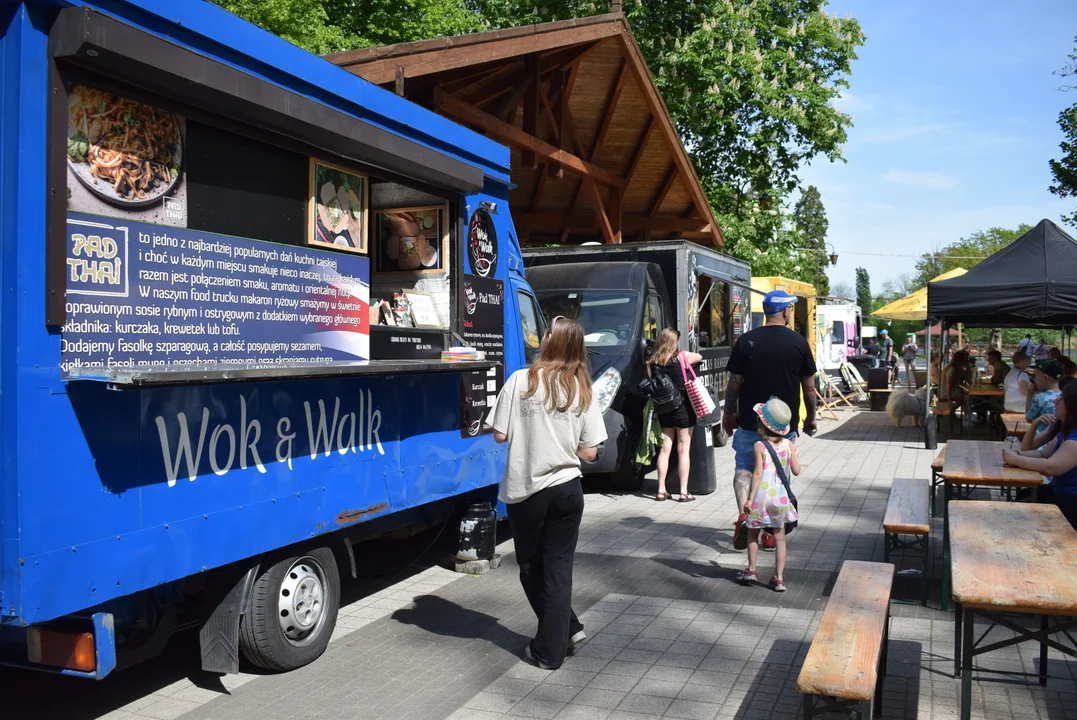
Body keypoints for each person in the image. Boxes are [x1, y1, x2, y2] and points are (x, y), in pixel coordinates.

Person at [491, 317, 606, 671]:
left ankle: (548, 652)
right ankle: (568, 628)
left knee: (531, 569)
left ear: (551, 343)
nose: (542, 336)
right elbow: (590, 452)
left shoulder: (521, 381)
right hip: (569, 490)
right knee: (558, 568)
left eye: (548, 333)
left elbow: (498, 434)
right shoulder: (581, 388)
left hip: (529, 492)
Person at [723, 290, 816, 552]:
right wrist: (811, 417)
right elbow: (809, 388)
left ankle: (745, 516)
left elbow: (734, 383)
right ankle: (769, 532)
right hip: (783, 429)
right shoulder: (799, 343)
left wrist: (727, 413)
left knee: (743, 467)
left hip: (750, 422)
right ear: (785, 312)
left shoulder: (746, 341)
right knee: (776, 474)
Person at [736, 397, 800, 592]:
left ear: (762, 425)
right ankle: (779, 579)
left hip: (761, 498)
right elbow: (796, 471)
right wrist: (795, 456)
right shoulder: (789, 445)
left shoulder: (760, 446)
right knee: (780, 539)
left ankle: (752, 570)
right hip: (780, 498)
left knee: (753, 534)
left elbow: (757, 474)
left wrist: (749, 499)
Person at [1003, 381, 1077, 529]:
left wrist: (1017, 459)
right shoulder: (1065, 429)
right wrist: (1017, 454)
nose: (1055, 401)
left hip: (1071, 501)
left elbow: (1051, 467)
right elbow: (1043, 453)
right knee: (1023, 498)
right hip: (1059, 492)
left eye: (1060, 398)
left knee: (1022, 508)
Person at [646, 328, 704, 502]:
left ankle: (661, 490)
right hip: (683, 407)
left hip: (664, 408)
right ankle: (683, 491)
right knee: (683, 449)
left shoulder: (652, 362)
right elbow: (699, 357)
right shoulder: (681, 357)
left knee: (664, 450)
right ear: (674, 342)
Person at [1027, 360, 1064, 438]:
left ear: (1045, 378)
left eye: (1035, 376)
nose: (1033, 379)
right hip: (1058, 442)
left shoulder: (1040, 398)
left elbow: (1029, 418)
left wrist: (1029, 395)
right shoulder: (1065, 396)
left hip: (1040, 444)